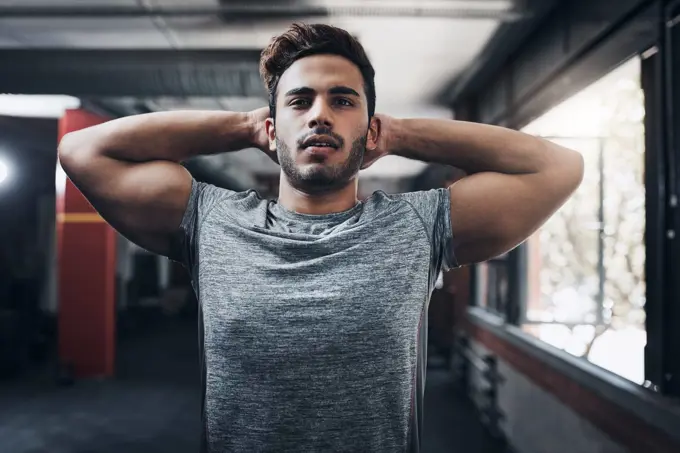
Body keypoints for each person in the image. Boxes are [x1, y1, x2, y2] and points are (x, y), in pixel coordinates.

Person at [58, 23, 583, 453]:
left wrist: (399, 134)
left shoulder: (416, 227)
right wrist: (241, 125)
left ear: (368, 127)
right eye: (299, 101)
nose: (320, 115)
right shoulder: (211, 221)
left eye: (343, 101)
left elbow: (556, 168)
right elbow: (82, 150)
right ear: (272, 127)